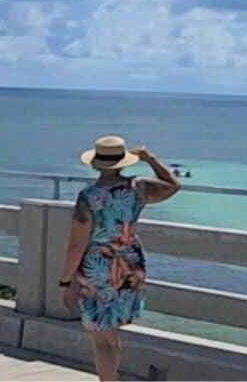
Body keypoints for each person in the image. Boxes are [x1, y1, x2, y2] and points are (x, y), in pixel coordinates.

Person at [59, 135, 181, 381]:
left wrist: (65, 281)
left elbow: (76, 244)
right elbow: (173, 185)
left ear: (96, 163)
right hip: (129, 265)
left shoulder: (88, 197)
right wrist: (149, 158)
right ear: (123, 162)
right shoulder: (138, 189)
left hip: (99, 269)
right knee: (112, 333)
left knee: (100, 338)